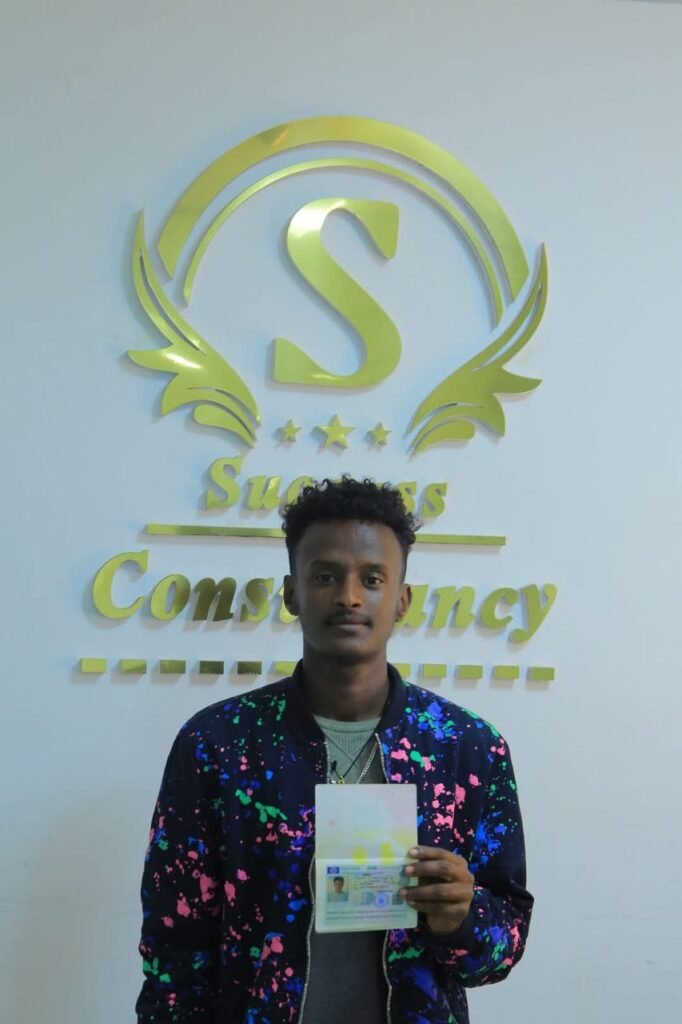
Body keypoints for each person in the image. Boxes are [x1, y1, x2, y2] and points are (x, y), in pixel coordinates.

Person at [136, 476, 533, 1024]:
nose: (349, 596)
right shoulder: (218, 743)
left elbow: (502, 948)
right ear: (291, 593)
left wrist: (462, 919)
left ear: (402, 599)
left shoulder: (468, 749)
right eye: (325, 576)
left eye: (372, 578)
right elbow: (174, 947)